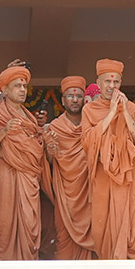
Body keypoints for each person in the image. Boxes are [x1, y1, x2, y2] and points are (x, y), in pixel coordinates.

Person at [81, 59, 135, 261]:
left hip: (129, 177)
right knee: (104, 229)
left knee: (131, 228)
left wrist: (124, 112)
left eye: (116, 82)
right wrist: (111, 112)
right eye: (107, 81)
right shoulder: (89, 110)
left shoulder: (133, 109)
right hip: (103, 176)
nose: (112, 86)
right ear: (98, 83)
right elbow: (88, 142)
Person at [0, 64, 44, 260]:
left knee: (30, 222)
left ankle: (28, 264)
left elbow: (36, 146)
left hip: (29, 176)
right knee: (4, 223)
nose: (22, 90)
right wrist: (4, 131)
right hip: (5, 173)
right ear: (5, 90)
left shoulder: (30, 116)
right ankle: (2, 264)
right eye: (17, 86)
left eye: (24, 86)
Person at [45, 76, 93, 259]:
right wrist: (50, 152)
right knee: (63, 238)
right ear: (63, 100)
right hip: (65, 193)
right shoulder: (55, 127)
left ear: (84, 99)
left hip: (89, 191)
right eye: (70, 96)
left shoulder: (91, 125)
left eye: (78, 96)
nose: (74, 100)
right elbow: (48, 164)